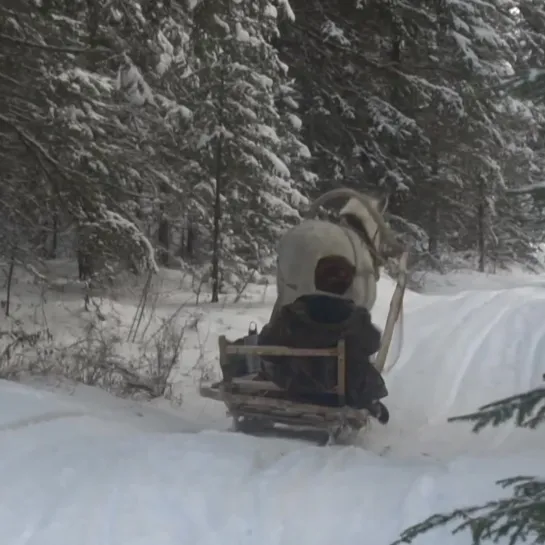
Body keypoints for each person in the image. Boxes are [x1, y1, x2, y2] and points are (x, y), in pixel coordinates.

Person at [257, 292, 390, 424]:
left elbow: (266, 347)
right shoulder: (357, 320)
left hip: (296, 385)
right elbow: (373, 345)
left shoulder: (290, 316)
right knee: (359, 363)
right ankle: (369, 401)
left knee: (274, 360)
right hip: (344, 390)